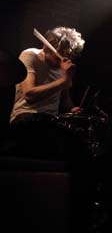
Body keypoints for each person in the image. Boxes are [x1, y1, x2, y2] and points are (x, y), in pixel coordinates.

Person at [4, 27, 85, 160]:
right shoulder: (30, 55)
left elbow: (65, 101)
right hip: (25, 117)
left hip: (51, 121)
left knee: (78, 147)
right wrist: (64, 80)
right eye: (60, 55)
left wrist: (72, 109)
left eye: (68, 56)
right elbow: (29, 95)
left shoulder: (63, 68)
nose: (63, 60)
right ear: (47, 48)